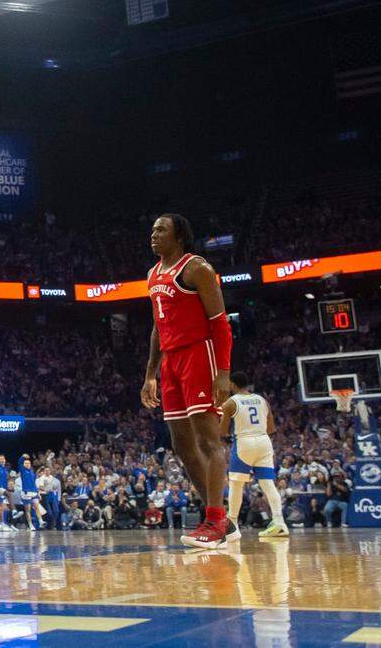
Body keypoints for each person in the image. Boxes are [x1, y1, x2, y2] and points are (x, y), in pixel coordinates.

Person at [140, 214, 234, 549]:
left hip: (198, 353)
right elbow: (157, 326)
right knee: (180, 444)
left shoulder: (197, 269)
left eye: (160, 229)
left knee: (209, 441)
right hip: (170, 360)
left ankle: (215, 520)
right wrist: (151, 373)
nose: (153, 234)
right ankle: (219, 516)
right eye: (152, 229)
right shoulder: (152, 275)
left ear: (178, 236)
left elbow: (221, 323)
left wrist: (222, 372)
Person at [220, 371, 288, 538]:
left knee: (236, 484)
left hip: (244, 442)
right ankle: (279, 522)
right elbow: (271, 429)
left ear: (232, 384)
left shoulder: (230, 402)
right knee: (268, 484)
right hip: (264, 442)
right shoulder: (262, 400)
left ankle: (233, 525)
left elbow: (222, 431)